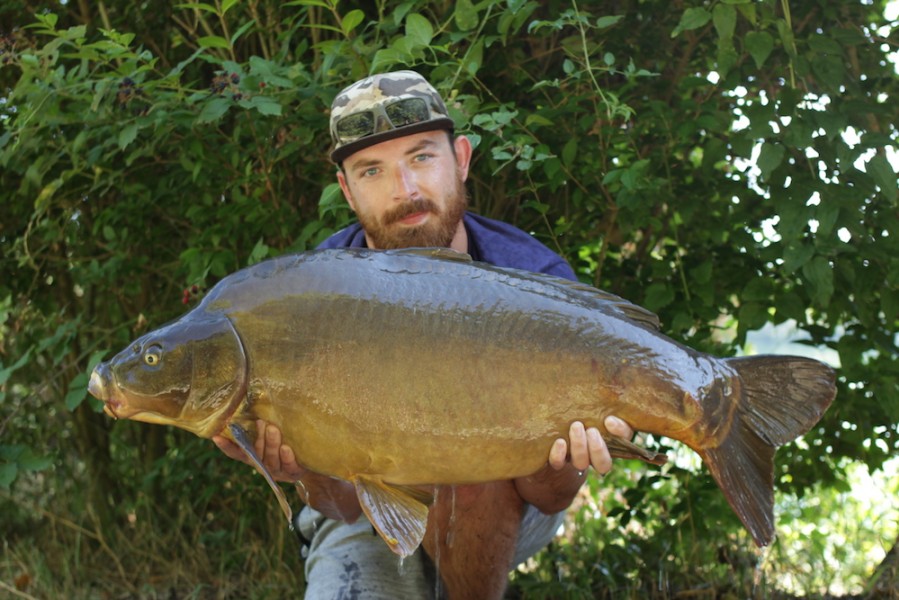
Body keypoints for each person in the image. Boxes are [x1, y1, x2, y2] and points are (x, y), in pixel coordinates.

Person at [214, 70, 635, 599]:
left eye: (421, 157)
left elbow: (547, 496)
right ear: (346, 190)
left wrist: (567, 459)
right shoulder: (311, 297)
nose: (405, 190)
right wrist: (303, 467)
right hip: (362, 512)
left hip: (502, 492)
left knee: (465, 451)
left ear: (460, 158)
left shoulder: (533, 278)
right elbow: (343, 504)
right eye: (372, 171)